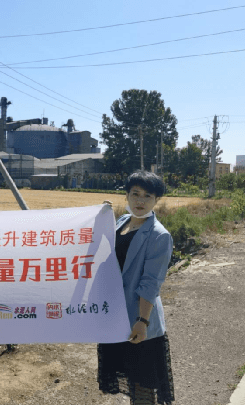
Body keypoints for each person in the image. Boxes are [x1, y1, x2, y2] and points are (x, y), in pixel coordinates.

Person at [98, 171, 175, 405]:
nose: (140, 201)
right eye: (135, 194)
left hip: (139, 318)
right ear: (127, 196)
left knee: (143, 385)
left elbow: (151, 283)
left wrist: (142, 321)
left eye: (147, 196)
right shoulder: (122, 222)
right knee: (128, 378)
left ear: (156, 200)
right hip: (116, 314)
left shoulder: (159, 236)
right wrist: (101, 218)